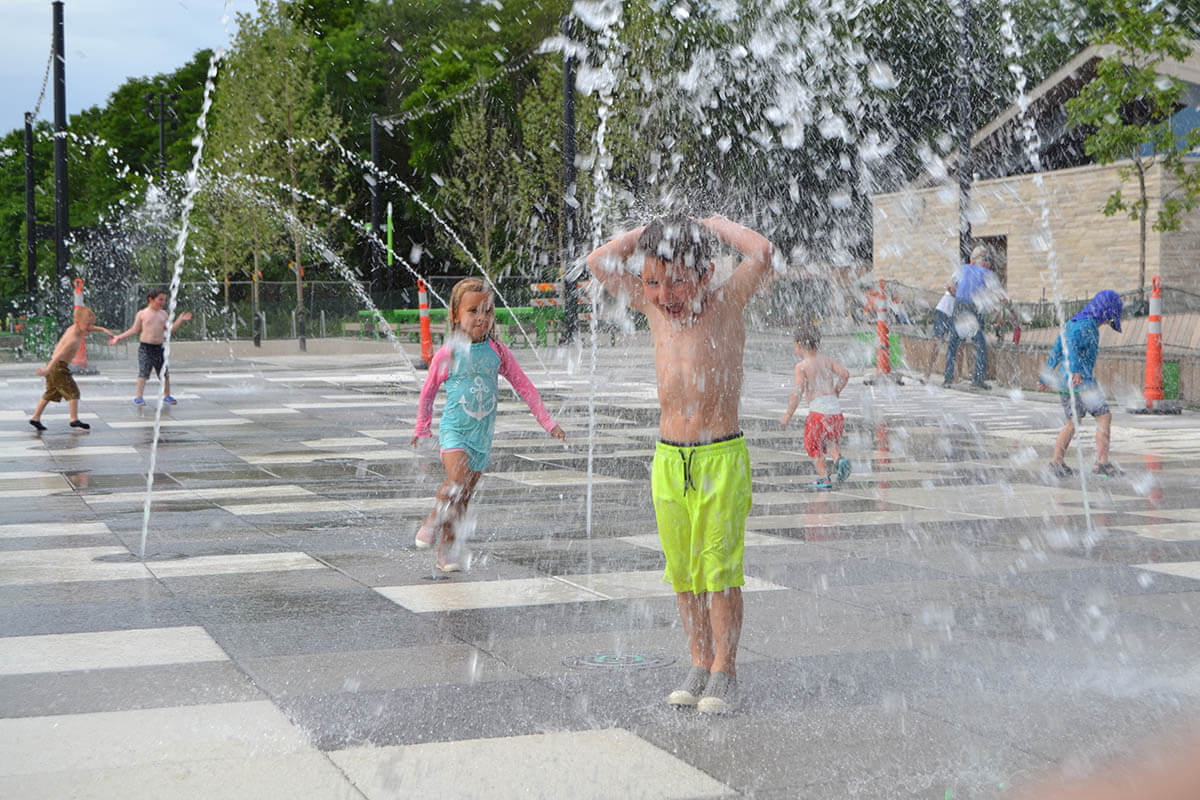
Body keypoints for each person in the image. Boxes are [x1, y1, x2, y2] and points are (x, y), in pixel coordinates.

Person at [587, 213, 775, 715]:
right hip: (669, 459)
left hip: (719, 457)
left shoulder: (727, 303)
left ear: (706, 273)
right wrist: (646, 232)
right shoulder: (653, 311)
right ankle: (698, 660)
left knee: (719, 571)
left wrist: (715, 223)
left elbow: (761, 254)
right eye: (651, 281)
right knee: (684, 574)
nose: (664, 294)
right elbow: (597, 262)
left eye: (675, 281)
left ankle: (724, 670)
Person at [410, 278, 566, 572]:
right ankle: (432, 518)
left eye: (487, 311)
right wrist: (422, 427)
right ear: (456, 314)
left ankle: (446, 551)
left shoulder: (498, 351)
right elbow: (428, 390)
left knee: (463, 498)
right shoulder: (450, 353)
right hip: (455, 431)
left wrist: (547, 421)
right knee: (455, 483)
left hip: (482, 437)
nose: (482, 317)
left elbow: (525, 387)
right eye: (473, 311)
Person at [1038, 289, 1122, 478]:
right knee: (1103, 417)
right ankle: (1101, 463)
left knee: (1073, 423)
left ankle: (1056, 463)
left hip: (1069, 382)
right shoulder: (1087, 326)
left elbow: (1058, 349)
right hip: (1080, 382)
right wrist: (1075, 369)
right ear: (1105, 312)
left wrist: (1046, 375)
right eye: (1110, 319)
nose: (1107, 323)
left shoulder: (1072, 322)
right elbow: (1073, 346)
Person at [780, 320, 851, 489]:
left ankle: (824, 478)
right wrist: (837, 390)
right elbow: (845, 374)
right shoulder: (827, 360)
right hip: (834, 409)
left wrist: (788, 415)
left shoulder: (802, 366)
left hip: (817, 411)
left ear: (799, 345)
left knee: (815, 444)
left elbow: (797, 392)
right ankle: (840, 460)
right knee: (831, 440)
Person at [28, 306, 113, 432]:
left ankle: (35, 418)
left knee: (50, 393)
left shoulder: (77, 328)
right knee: (74, 392)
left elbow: (90, 327)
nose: (90, 328)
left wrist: (103, 330)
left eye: (92, 324)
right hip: (58, 367)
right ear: (77, 322)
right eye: (87, 325)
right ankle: (74, 419)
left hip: (54, 367)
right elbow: (59, 354)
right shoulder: (73, 338)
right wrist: (48, 369)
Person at [108, 290, 193, 405]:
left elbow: (170, 331)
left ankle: (167, 395)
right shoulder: (142, 314)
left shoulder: (164, 314)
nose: (163, 302)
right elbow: (134, 330)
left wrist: (180, 320)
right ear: (151, 299)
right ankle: (139, 397)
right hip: (145, 347)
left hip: (159, 347)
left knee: (164, 373)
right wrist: (119, 337)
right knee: (143, 373)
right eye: (160, 299)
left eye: (164, 300)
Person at [943, 245, 1005, 389]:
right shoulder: (986, 273)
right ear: (982, 260)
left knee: (953, 343)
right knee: (980, 345)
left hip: (959, 306)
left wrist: (959, 298)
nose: (987, 261)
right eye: (986, 258)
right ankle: (977, 380)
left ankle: (948, 379)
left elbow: (949, 286)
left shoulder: (963, 268)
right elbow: (999, 296)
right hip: (972, 307)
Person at [924, 289, 956, 381]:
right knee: (936, 342)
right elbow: (949, 287)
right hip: (945, 310)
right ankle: (927, 374)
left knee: (958, 345)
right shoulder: (960, 274)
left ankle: (957, 377)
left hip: (956, 311)